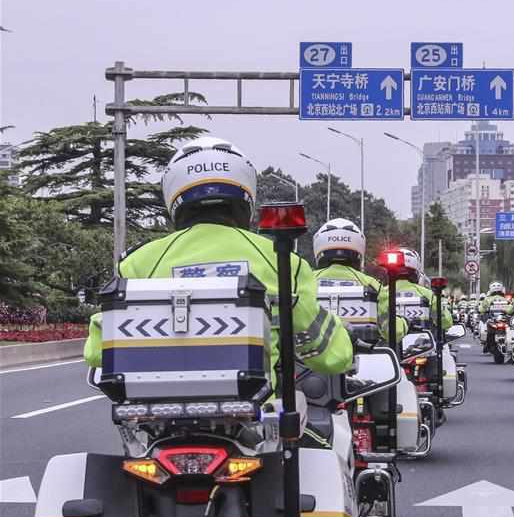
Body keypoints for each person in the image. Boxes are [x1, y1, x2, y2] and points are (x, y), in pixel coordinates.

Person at [83, 136, 353, 394]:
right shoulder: (281, 259)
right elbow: (332, 356)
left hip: (158, 422)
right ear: (246, 193)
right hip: (254, 419)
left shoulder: (138, 263)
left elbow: (96, 351)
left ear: (173, 196)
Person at [311, 217, 407, 341]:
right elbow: (394, 331)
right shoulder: (371, 284)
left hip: (309, 357)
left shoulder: (306, 281)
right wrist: (405, 323)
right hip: (362, 356)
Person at [390, 248, 452, 333]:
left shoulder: (382, 293)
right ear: (416, 270)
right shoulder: (427, 294)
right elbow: (446, 322)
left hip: (387, 345)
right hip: (421, 343)